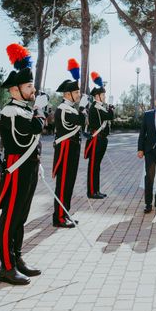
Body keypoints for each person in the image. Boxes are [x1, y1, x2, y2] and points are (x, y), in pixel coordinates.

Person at [0, 43, 47, 285]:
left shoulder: (24, 109)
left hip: (28, 168)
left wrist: (37, 110)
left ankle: (17, 259)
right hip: (17, 168)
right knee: (10, 217)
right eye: (29, 87)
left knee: (22, 216)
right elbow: (28, 132)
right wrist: (40, 111)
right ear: (14, 90)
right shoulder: (11, 112)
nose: (33, 90)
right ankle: (6, 267)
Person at [52, 58, 87, 228]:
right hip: (65, 149)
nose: (78, 95)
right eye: (76, 92)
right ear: (67, 94)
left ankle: (65, 213)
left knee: (69, 183)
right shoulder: (63, 109)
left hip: (72, 148)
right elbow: (81, 120)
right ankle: (58, 217)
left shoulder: (70, 108)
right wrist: (82, 109)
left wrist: (81, 109)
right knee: (64, 183)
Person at [85, 71, 114, 199]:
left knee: (97, 166)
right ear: (97, 96)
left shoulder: (100, 107)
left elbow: (109, 116)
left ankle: (96, 190)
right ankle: (92, 191)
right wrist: (110, 109)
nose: (104, 97)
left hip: (102, 139)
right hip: (97, 139)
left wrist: (109, 108)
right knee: (93, 166)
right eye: (103, 95)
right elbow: (109, 116)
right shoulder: (95, 108)